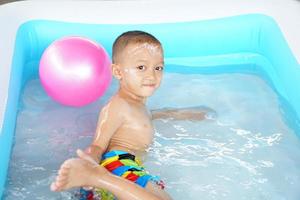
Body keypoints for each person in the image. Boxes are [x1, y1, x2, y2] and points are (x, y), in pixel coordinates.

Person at [51, 31, 212, 199]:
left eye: (158, 68)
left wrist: (181, 114)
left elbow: (150, 116)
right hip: (118, 163)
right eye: (141, 67)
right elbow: (98, 145)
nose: (152, 75)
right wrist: (89, 162)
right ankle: (96, 177)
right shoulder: (117, 105)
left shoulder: (138, 106)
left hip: (125, 167)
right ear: (118, 72)